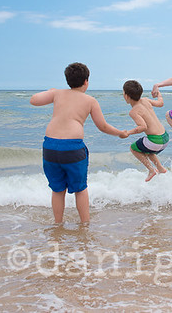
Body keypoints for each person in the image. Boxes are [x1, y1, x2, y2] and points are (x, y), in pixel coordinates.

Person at [30, 62, 128, 224]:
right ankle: (85, 224)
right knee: (80, 189)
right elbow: (102, 126)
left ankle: (58, 223)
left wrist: (51, 91)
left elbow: (34, 100)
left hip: (50, 147)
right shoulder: (90, 100)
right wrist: (120, 133)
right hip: (72, 148)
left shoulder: (57, 93)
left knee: (57, 189)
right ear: (86, 81)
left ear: (67, 80)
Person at [122, 80, 170, 182]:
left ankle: (151, 170)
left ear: (126, 96)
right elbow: (161, 103)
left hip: (155, 141)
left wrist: (128, 133)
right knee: (146, 149)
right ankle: (161, 168)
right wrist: (158, 94)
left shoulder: (133, 111)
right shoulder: (145, 100)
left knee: (134, 148)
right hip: (165, 138)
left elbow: (142, 127)